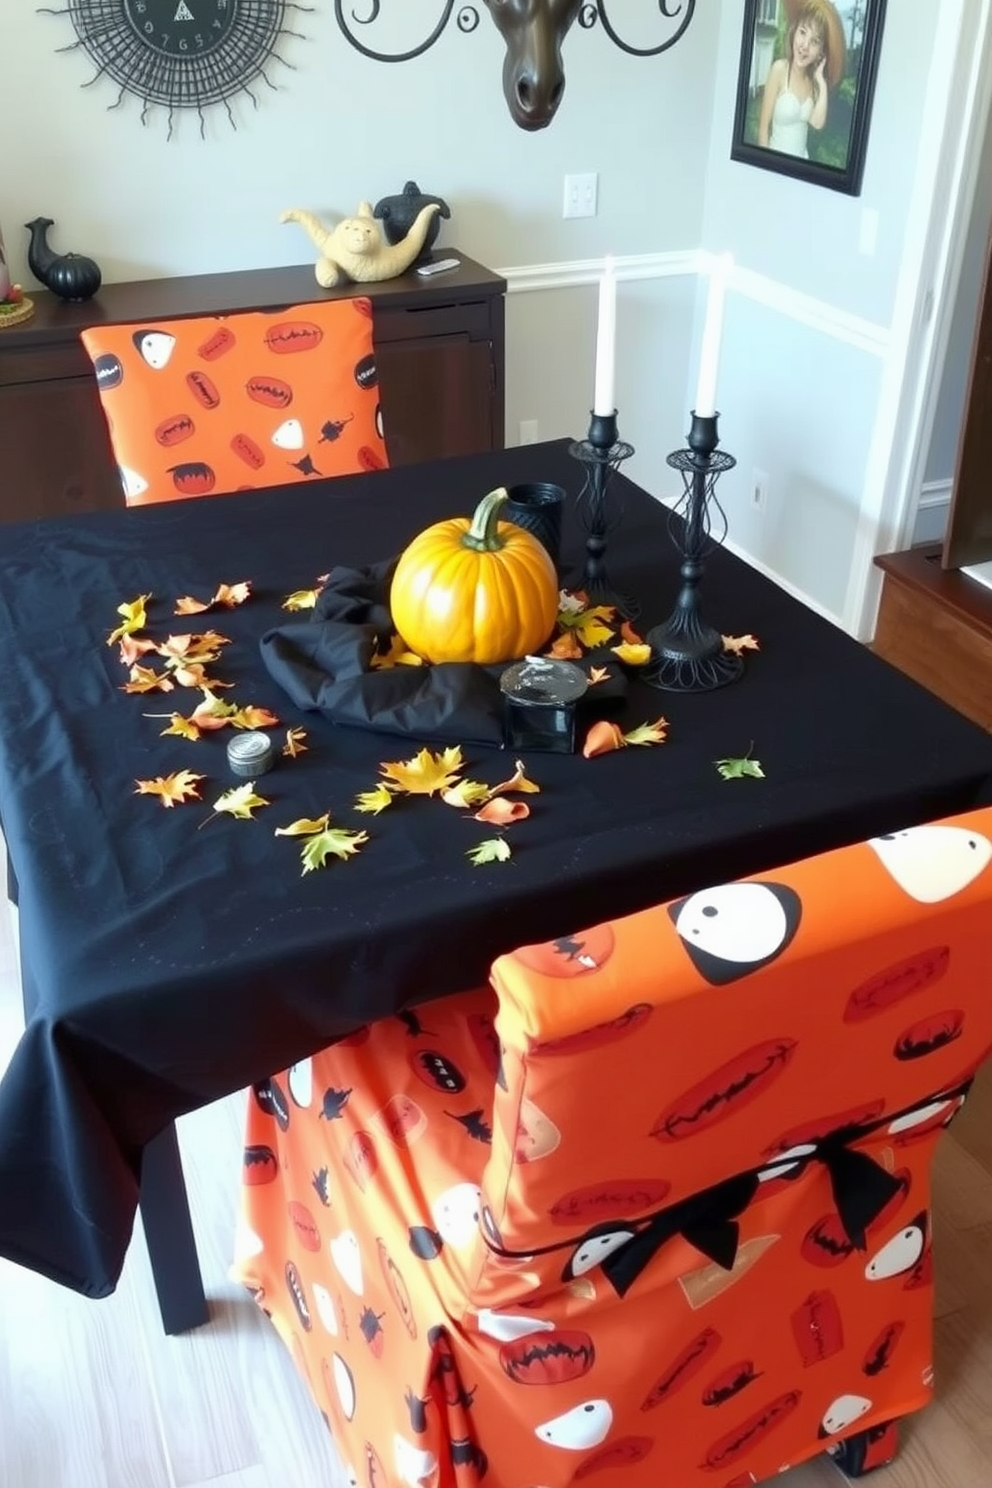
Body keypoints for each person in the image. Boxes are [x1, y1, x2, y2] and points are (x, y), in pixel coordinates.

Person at [757, 2, 841, 160]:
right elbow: (763, 130)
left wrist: (821, 84)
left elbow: (817, 123)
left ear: (821, 53)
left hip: (801, 165)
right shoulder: (779, 70)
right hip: (775, 166)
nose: (805, 45)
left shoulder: (813, 82)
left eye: (814, 41)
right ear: (794, 32)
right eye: (802, 32)